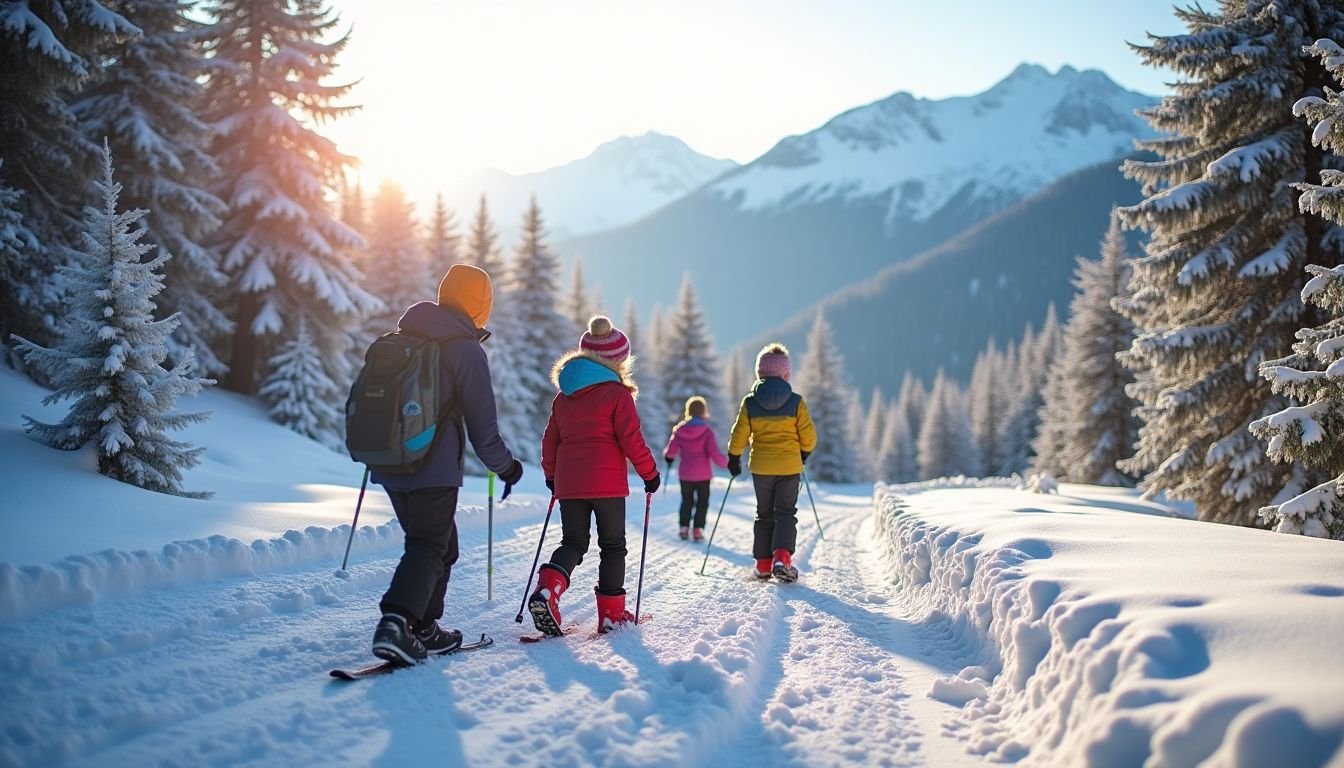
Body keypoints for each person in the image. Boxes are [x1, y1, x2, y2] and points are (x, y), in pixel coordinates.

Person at [369, 264, 524, 664]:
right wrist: (507, 468)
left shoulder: (402, 337)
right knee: (428, 544)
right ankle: (397, 622)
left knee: (442, 546)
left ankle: (423, 627)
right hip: (431, 467)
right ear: (481, 305)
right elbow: (482, 427)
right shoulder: (464, 348)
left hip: (389, 462)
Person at [529, 315, 660, 636]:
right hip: (606, 484)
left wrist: (551, 476)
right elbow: (631, 439)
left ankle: (549, 587)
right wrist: (650, 473)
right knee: (613, 545)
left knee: (573, 541)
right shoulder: (617, 395)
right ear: (618, 361)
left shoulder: (565, 396)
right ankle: (611, 616)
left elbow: (551, 440)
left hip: (569, 483)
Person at [726, 343, 817, 583]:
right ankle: (782, 558)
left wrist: (734, 457)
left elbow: (739, 434)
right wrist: (804, 453)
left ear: (760, 373)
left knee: (764, 513)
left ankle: (763, 564)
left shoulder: (750, 402)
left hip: (761, 468)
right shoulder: (796, 401)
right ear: (786, 374)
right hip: (789, 466)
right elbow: (808, 436)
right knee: (786, 512)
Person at [663, 395, 728, 542]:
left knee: (687, 500)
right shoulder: (706, 431)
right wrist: (727, 464)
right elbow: (714, 453)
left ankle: (684, 528)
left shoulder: (680, 430)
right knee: (702, 502)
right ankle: (698, 529)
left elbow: (671, 451)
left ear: (689, 410)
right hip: (703, 474)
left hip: (685, 473)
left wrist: (669, 457)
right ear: (703, 411)